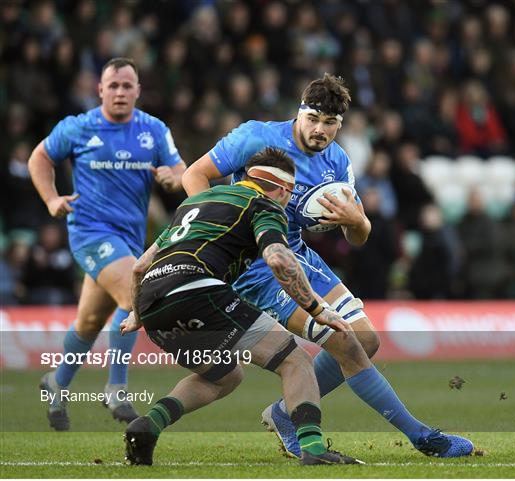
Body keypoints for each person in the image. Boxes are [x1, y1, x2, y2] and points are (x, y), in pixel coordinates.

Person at [182, 73, 473, 458]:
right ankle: (422, 437)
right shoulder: (256, 137)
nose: (320, 130)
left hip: (299, 254)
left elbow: (358, 236)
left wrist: (359, 223)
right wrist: (220, 228)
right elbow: (194, 174)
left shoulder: (337, 163)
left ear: (340, 124)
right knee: (346, 345)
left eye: (330, 123)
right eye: (313, 119)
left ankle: (286, 413)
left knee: (367, 340)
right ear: (299, 113)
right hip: (256, 264)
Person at [119, 147, 361, 466]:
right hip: (197, 289)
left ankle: (147, 426)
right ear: (283, 189)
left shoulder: (196, 201)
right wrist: (318, 309)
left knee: (225, 375)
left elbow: (140, 267)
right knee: (295, 360)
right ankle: (314, 450)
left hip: (152, 303)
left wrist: (137, 313)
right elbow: (278, 259)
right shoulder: (264, 205)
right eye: (289, 195)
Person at [28, 57, 185, 431]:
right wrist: (51, 199)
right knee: (135, 296)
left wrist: (172, 177)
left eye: (126, 86)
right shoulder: (79, 128)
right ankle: (116, 388)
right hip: (90, 231)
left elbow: (183, 172)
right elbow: (40, 158)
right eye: (112, 86)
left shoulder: (154, 130)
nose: (119, 92)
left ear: (137, 91)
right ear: (99, 90)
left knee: (90, 321)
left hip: (129, 237)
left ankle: (56, 382)